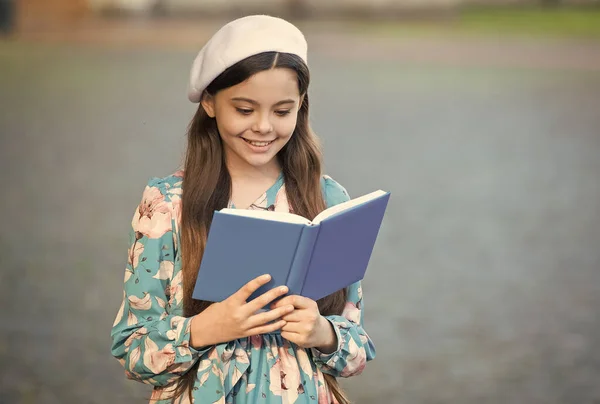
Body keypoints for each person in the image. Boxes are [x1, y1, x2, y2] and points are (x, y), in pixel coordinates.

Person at [110, 15, 376, 404]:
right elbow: (132, 350)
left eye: (282, 111)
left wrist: (322, 332)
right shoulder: (168, 202)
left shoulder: (328, 199)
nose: (264, 127)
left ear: (301, 106)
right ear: (209, 102)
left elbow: (357, 348)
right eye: (245, 110)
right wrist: (205, 328)